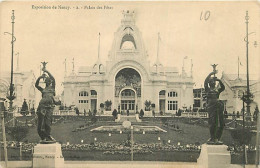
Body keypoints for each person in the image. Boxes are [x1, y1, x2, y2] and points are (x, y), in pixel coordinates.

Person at [35, 66, 56, 142]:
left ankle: (48, 136)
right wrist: (40, 77)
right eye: (46, 81)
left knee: (47, 123)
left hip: (49, 107)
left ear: (50, 82)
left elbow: (53, 78)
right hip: (42, 107)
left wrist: (46, 71)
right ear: (45, 82)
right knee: (40, 124)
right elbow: (36, 85)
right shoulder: (43, 89)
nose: (48, 82)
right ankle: (43, 137)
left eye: (49, 81)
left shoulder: (53, 88)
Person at [204, 69, 225, 144]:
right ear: (209, 83)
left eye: (214, 81)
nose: (213, 82)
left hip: (218, 106)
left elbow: (223, 88)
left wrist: (219, 80)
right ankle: (212, 138)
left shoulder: (217, 90)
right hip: (211, 107)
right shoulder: (207, 90)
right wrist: (211, 73)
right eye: (211, 81)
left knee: (221, 123)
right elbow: (205, 81)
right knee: (212, 123)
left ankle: (217, 138)